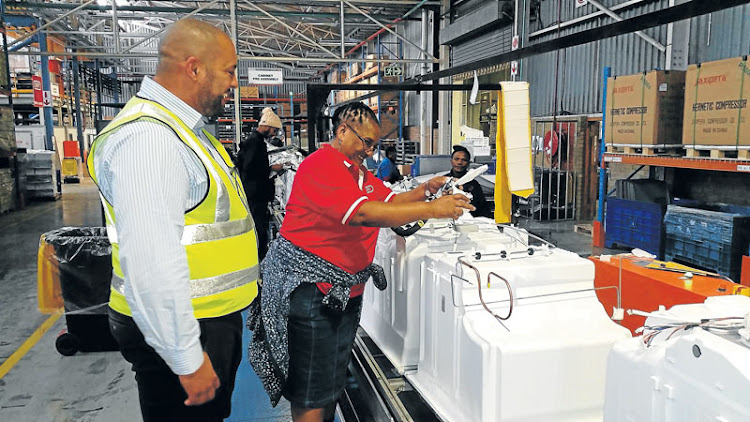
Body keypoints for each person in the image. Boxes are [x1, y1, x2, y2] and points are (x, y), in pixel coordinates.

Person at [248, 102, 474, 422]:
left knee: (329, 384)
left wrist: (425, 190)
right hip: (313, 292)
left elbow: (390, 200)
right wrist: (432, 210)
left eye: (373, 144)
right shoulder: (322, 165)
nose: (369, 150)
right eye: (365, 141)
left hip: (343, 294)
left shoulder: (358, 174)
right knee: (312, 391)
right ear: (342, 131)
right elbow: (363, 213)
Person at [86, 18, 259, 422]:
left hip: (203, 319)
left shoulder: (186, 131)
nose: (234, 83)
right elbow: (150, 262)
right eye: (229, 71)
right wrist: (185, 358)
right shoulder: (151, 140)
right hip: (183, 329)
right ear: (194, 67)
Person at [237, 107, 282, 260]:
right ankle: (258, 258)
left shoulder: (255, 142)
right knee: (258, 228)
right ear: (268, 126)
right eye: (274, 130)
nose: (274, 134)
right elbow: (250, 168)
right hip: (256, 195)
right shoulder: (256, 143)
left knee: (259, 226)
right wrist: (271, 169)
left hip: (254, 193)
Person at [447, 145, 492, 218]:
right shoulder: (443, 181)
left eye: (464, 160)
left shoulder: (474, 185)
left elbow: (482, 208)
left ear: (468, 163)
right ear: (451, 161)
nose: (459, 162)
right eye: (456, 159)